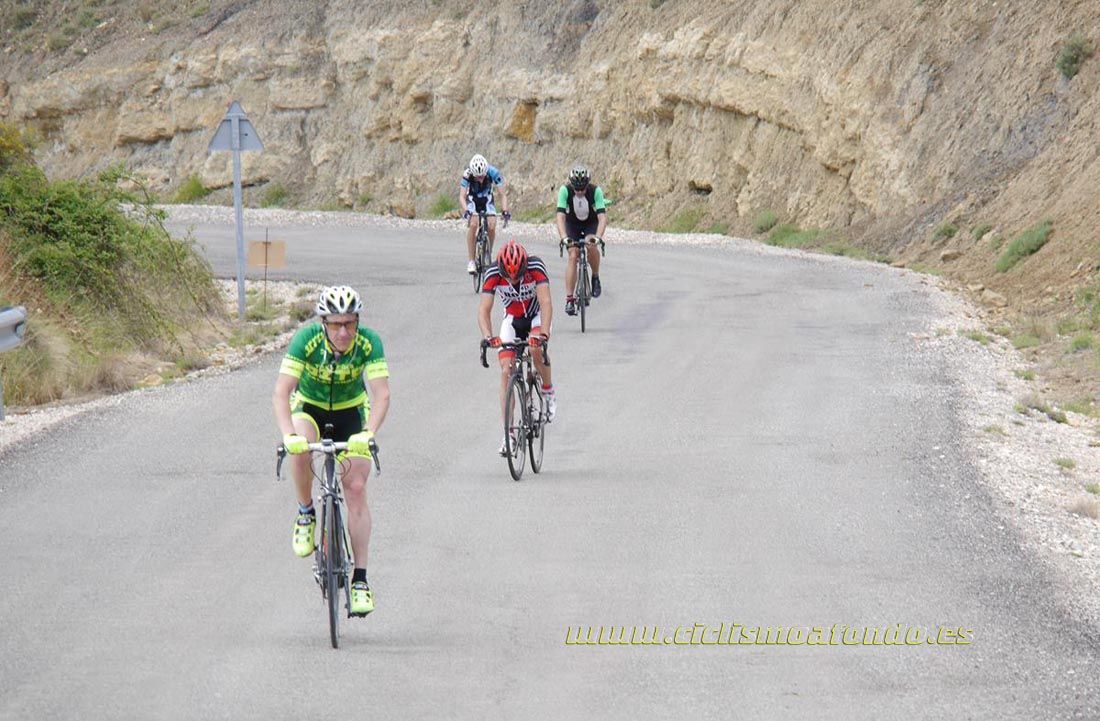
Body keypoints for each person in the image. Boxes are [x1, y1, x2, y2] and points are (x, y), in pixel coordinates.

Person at [272, 285, 390, 617]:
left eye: (350, 323)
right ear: (323, 323)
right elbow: (282, 393)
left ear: (357, 321)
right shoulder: (305, 340)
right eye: (336, 324)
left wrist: (368, 433)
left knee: (356, 487)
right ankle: (306, 512)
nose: (343, 332)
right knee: (300, 448)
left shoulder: (369, 342)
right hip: (310, 408)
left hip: (352, 413)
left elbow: (381, 395)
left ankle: (360, 580)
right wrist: (287, 435)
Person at [478, 240, 556, 454]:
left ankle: (548, 390)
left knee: (535, 349)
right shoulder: (493, 272)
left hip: (536, 316)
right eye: (509, 276)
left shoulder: (535, 266)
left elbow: (546, 302)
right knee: (506, 371)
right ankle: (508, 435)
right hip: (512, 319)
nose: (513, 279)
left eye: (518, 275)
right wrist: (488, 337)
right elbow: (484, 310)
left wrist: (544, 334)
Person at [555, 164, 607, 316]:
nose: (579, 192)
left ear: (587, 185)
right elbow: (560, 217)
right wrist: (564, 237)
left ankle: (595, 276)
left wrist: (598, 237)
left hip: (591, 223)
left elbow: (602, 218)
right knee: (573, 255)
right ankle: (569, 299)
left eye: (582, 189)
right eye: (576, 189)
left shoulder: (596, 191)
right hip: (572, 224)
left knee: (591, 245)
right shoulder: (565, 190)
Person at [460, 153, 510, 275]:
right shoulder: (467, 174)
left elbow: (503, 194)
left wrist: (505, 210)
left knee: (492, 225)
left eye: (482, 176)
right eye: (478, 177)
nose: (481, 179)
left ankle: (488, 252)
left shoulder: (493, 172)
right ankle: (471, 261)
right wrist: (466, 211)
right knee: (473, 224)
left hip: (487, 199)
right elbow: (462, 196)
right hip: (472, 200)